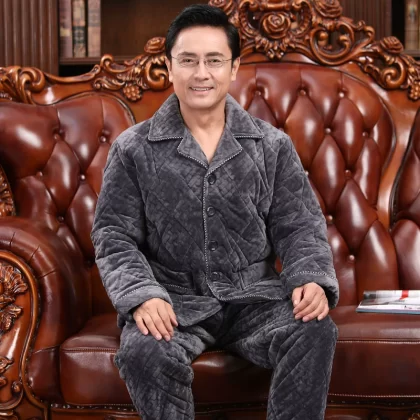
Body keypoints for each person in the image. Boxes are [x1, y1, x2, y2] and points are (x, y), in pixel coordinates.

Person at [91, 4, 339, 420]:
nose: (201, 73)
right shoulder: (132, 149)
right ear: (169, 67)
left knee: (315, 331)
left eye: (214, 60)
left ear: (234, 67)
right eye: (188, 60)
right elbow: (113, 236)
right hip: (174, 302)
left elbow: (299, 226)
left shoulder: (271, 146)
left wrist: (310, 278)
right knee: (142, 352)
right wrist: (142, 296)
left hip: (255, 299)